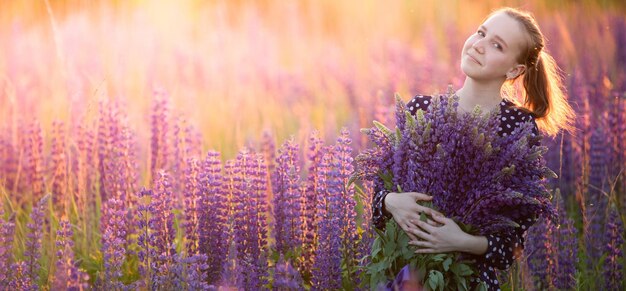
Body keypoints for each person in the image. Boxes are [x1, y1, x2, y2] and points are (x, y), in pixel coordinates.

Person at [371, 7, 575, 290]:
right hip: (405, 272)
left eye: (497, 45)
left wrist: (461, 241)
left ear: (515, 70)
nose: (479, 45)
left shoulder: (517, 128)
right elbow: (379, 198)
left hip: (471, 281)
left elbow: (512, 243)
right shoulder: (421, 110)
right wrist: (391, 202)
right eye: (481, 33)